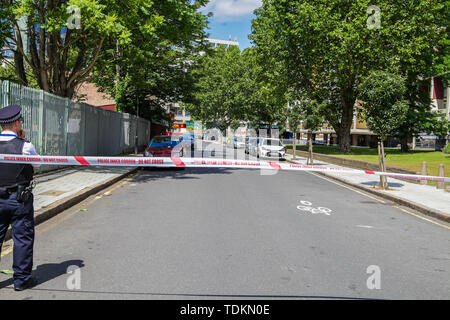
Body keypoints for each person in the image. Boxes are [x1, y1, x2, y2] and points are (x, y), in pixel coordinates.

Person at [0, 104, 40, 291]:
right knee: (22, 238)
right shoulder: (26, 146)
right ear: (16, 123)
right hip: (19, 199)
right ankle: (21, 280)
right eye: (21, 121)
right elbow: (37, 166)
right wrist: (24, 140)